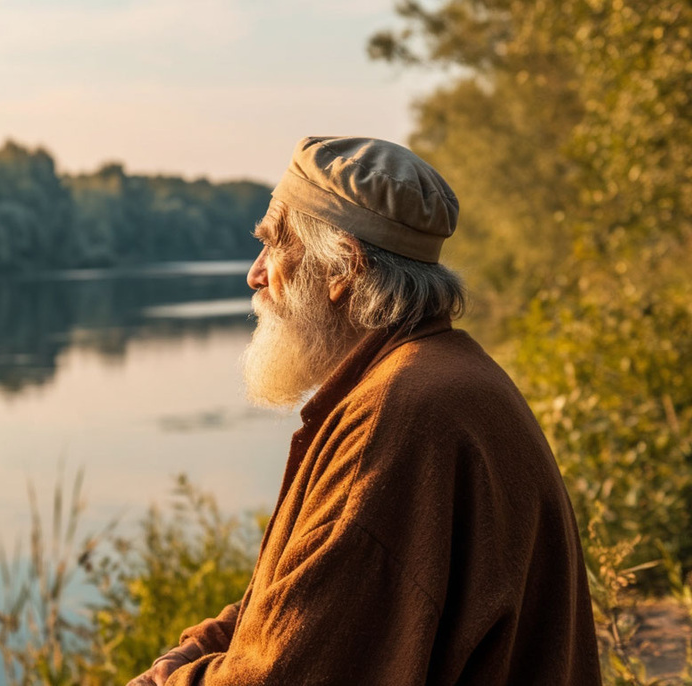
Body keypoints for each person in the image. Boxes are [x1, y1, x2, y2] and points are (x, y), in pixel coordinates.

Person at [127, 137, 601, 685]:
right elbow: (293, 602)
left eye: (273, 247)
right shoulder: (444, 376)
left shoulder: (399, 417)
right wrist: (187, 656)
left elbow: (287, 673)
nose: (255, 275)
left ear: (343, 270)